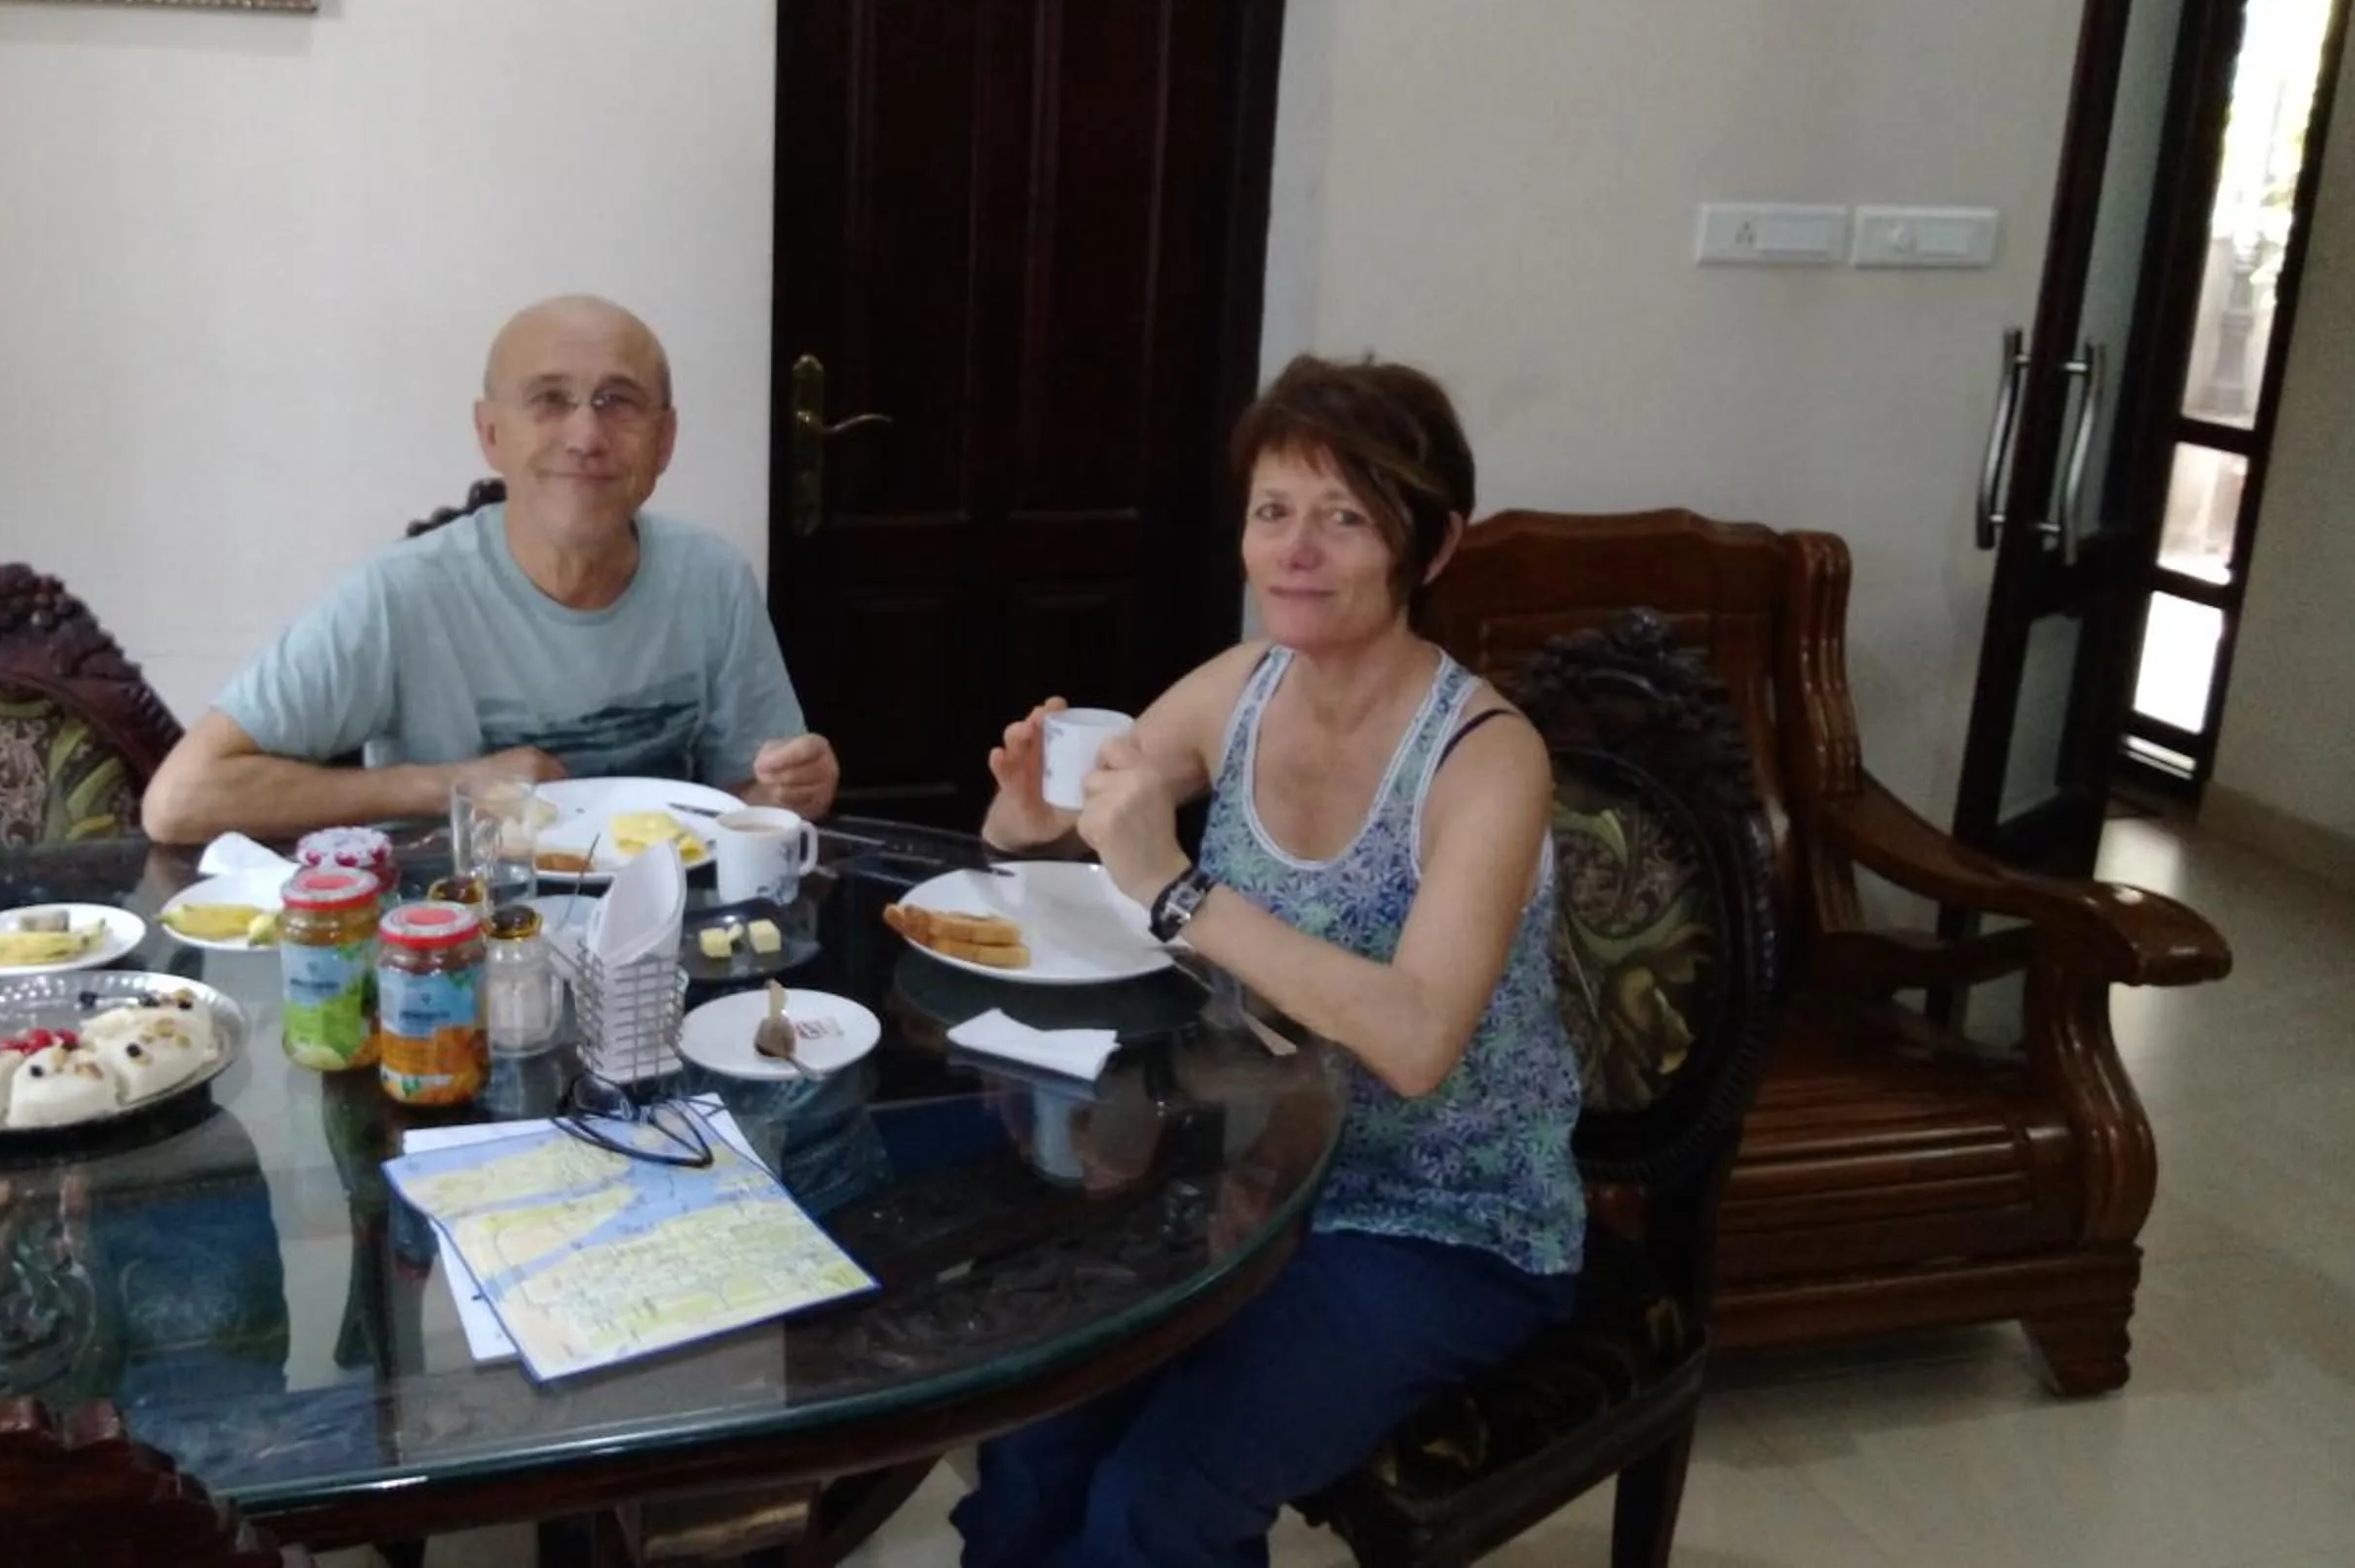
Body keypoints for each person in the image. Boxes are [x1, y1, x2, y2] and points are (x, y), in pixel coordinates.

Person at [952, 355, 1585, 1568]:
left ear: (1434, 547)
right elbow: (1085, 810)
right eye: (1273, 511)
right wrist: (1026, 817)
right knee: (1036, 1429)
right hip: (1253, 1168)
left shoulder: (1485, 758)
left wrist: (1175, 886)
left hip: (1444, 1218)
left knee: (1159, 1497)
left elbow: (1412, 1039)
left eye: (1346, 517)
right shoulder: (1242, 688)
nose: (1296, 548)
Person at [142, 295, 840, 843]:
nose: (586, 436)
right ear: (491, 434)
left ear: (665, 440)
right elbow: (180, 800)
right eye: (550, 400)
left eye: (618, 401)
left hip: (668, 954)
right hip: (457, 965)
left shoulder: (711, 579)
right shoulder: (403, 596)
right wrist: (447, 786)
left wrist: (787, 793)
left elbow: (743, 804)